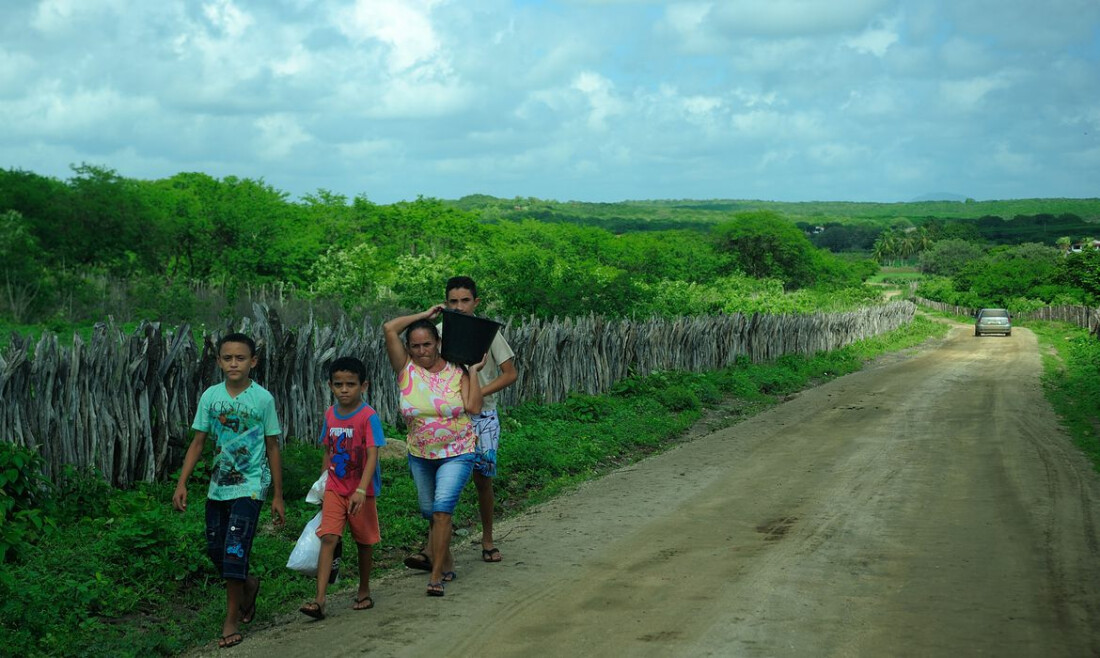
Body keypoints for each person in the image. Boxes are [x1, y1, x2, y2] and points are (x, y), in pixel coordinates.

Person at [173, 332, 284, 650]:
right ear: (219, 361)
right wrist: (182, 483)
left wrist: (277, 494)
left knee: (235, 551)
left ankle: (230, 620)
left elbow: (273, 446)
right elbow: (198, 442)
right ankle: (249, 584)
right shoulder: (211, 397)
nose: (233, 363)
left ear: (253, 361)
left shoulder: (262, 399)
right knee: (215, 549)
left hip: (252, 485)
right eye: (227, 358)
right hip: (218, 486)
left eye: (240, 358)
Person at [384, 305, 485, 596]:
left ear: (438, 343)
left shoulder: (457, 371)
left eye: (427, 344)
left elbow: (474, 407)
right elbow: (390, 328)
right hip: (421, 454)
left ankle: (436, 574)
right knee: (429, 511)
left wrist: (474, 372)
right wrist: (423, 316)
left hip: (458, 452)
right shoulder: (406, 369)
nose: (421, 351)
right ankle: (446, 559)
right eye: (415, 346)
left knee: (442, 510)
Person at [299, 356, 385, 620]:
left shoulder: (368, 417)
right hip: (335, 487)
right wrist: (323, 484)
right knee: (329, 537)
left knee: (363, 541)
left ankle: (364, 588)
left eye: (350, 384)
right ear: (330, 385)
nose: (344, 389)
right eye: (338, 384)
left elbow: (373, 455)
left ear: (364, 386)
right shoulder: (330, 414)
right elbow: (328, 449)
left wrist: (361, 489)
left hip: (361, 490)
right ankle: (320, 600)